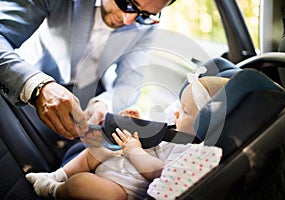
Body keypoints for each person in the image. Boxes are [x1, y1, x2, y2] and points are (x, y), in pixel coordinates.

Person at [25, 72, 229, 199]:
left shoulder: (191, 153)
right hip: (120, 162)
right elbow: (157, 136)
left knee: (85, 185)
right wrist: (139, 122)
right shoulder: (178, 128)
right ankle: (56, 175)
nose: (176, 112)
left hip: (123, 189)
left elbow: (157, 173)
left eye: (184, 111)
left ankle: (52, 189)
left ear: (206, 122)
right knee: (94, 152)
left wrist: (135, 151)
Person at [0, 0, 176, 140]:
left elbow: (130, 83)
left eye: (144, 15)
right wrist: (38, 86)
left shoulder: (147, 27)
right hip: (29, 80)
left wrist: (104, 103)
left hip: (88, 95)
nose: (127, 20)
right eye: (127, 3)